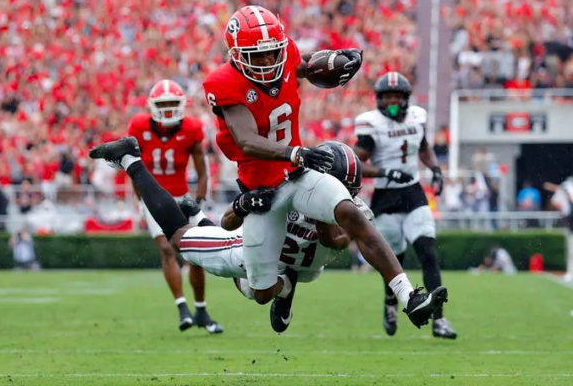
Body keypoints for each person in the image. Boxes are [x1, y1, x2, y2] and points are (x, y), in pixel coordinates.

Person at [201, 5, 446, 332]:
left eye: (272, 53)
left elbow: (302, 65)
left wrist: (335, 60)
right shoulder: (223, 82)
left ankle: (409, 296)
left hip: (296, 173)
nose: (266, 62)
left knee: (350, 211)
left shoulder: (285, 52)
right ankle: (284, 286)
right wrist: (296, 152)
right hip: (262, 189)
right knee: (260, 293)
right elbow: (247, 140)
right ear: (236, 54)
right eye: (256, 57)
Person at [90, 138, 447, 333]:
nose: (347, 195)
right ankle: (131, 161)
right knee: (180, 238)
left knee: (287, 277)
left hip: (305, 264)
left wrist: (321, 213)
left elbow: (342, 241)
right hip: (251, 253)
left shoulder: (350, 210)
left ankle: (283, 283)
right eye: (342, 188)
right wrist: (245, 203)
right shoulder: (286, 187)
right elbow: (232, 223)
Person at [353, 71, 457, 339]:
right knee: (393, 259)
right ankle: (390, 303)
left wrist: (434, 168)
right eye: (387, 96)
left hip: (412, 192)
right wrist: (384, 172)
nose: (392, 101)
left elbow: (423, 147)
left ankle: (439, 320)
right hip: (386, 197)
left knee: (428, 252)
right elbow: (356, 162)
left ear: (406, 99)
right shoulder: (370, 124)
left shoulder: (417, 117)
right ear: (378, 99)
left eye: (397, 96)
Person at [127, 79, 222, 334]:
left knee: (197, 255)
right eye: (163, 104)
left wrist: (198, 202)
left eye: (172, 103)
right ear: (152, 106)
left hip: (181, 197)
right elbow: (133, 169)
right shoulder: (138, 127)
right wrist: (141, 200)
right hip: (153, 199)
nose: (168, 109)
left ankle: (201, 310)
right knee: (167, 250)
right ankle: (183, 308)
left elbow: (203, 173)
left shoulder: (191, 129)